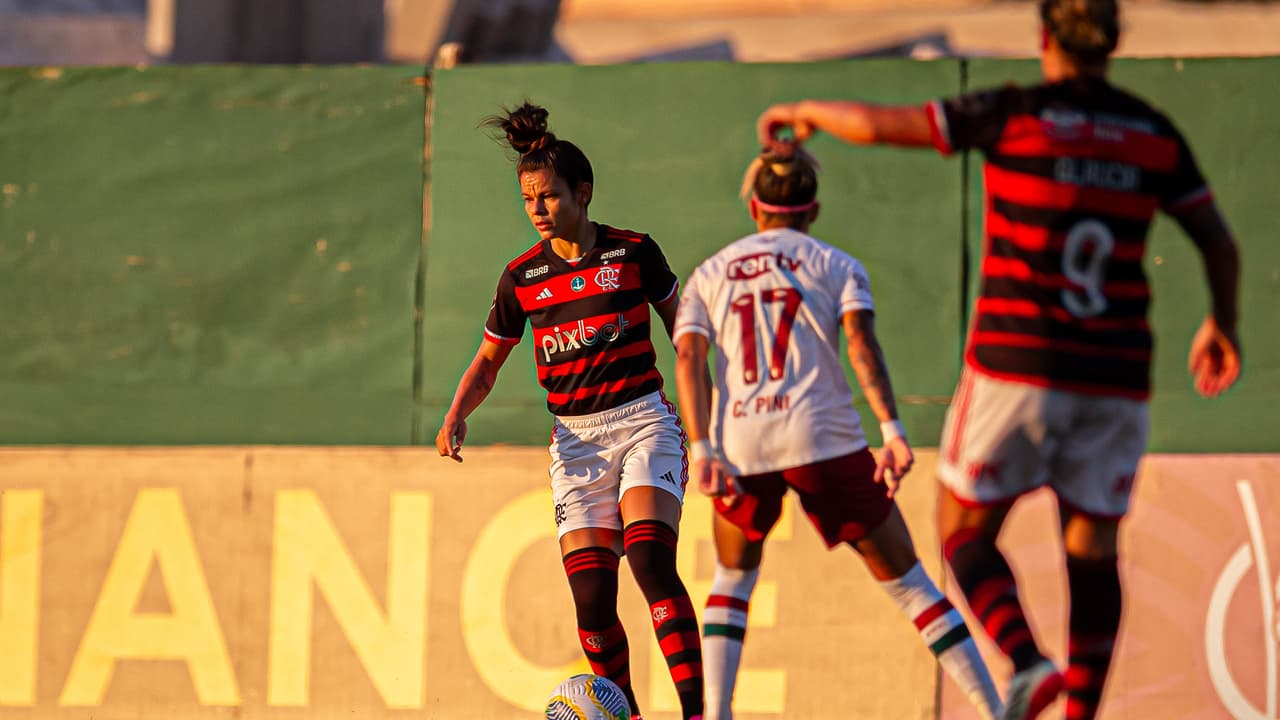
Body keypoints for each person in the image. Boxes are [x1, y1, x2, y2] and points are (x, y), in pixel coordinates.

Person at [754, 1, 1243, 719]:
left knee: (960, 530)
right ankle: (1079, 710)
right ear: (1114, 43)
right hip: (1114, 374)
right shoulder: (1153, 132)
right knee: (1092, 546)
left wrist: (807, 110)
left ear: (1044, 37)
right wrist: (1222, 322)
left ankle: (1028, 660)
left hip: (1017, 361)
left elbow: (891, 126)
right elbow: (1219, 242)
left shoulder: (1015, 112)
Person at [673, 143, 1003, 720]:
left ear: (754, 208)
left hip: (742, 442)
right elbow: (861, 347)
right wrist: (892, 429)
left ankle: (715, 714)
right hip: (821, 437)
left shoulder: (710, 272)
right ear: (813, 210)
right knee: (911, 585)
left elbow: (689, 358)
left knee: (732, 580)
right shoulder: (837, 264)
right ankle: (997, 711)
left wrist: (702, 447)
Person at [435, 102, 704, 720]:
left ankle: (697, 712)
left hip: (643, 423)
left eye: (549, 196)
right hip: (576, 443)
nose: (536, 208)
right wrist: (456, 412)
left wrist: (703, 410)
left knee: (649, 558)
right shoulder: (521, 278)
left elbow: (684, 329)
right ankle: (627, 713)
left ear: (582, 193)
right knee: (591, 599)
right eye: (528, 199)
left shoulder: (633, 252)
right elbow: (487, 361)